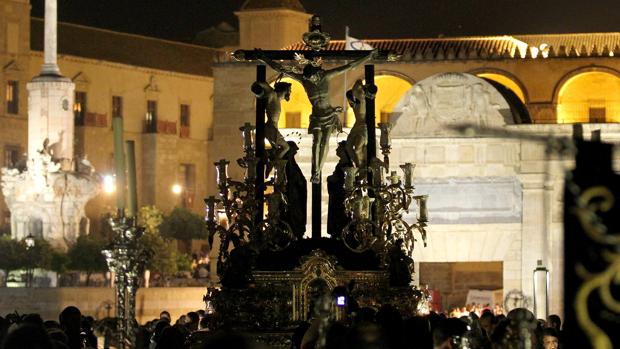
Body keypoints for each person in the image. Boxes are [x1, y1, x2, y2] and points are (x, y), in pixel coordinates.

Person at [258, 49, 377, 183]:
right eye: (308, 78)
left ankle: (318, 170)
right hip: (316, 116)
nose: (311, 80)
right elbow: (280, 68)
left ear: (317, 73)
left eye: (313, 78)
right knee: (317, 142)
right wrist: (264, 58)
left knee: (324, 141)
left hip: (329, 115)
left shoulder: (326, 76)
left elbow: (349, 66)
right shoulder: (304, 79)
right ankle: (315, 171)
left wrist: (368, 56)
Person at [251, 81, 292, 159]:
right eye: (289, 90)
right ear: (284, 90)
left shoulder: (277, 100)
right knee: (286, 147)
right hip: (271, 128)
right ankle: (276, 163)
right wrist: (258, 86)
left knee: (276, 150)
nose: (290, 92)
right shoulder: (273, 95)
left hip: (272, 128)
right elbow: (263, 84)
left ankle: (270, 163)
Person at [327, 141, 352, 238]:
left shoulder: (346, 164)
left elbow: (342, 179)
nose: (337, 150)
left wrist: (332, 179)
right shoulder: (341, 163)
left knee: (340, 215)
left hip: (341, 196)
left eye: (339, 148)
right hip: (337, 195)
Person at [345, 79, 368, 168]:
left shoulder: (362, 99)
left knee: (358, 149)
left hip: (363, 127)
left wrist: (360, 84)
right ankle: (356, 164)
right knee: (348, 147)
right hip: (356, 125)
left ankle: (361, 167)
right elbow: (354, 89)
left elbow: (356, 87)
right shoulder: (354, 103)